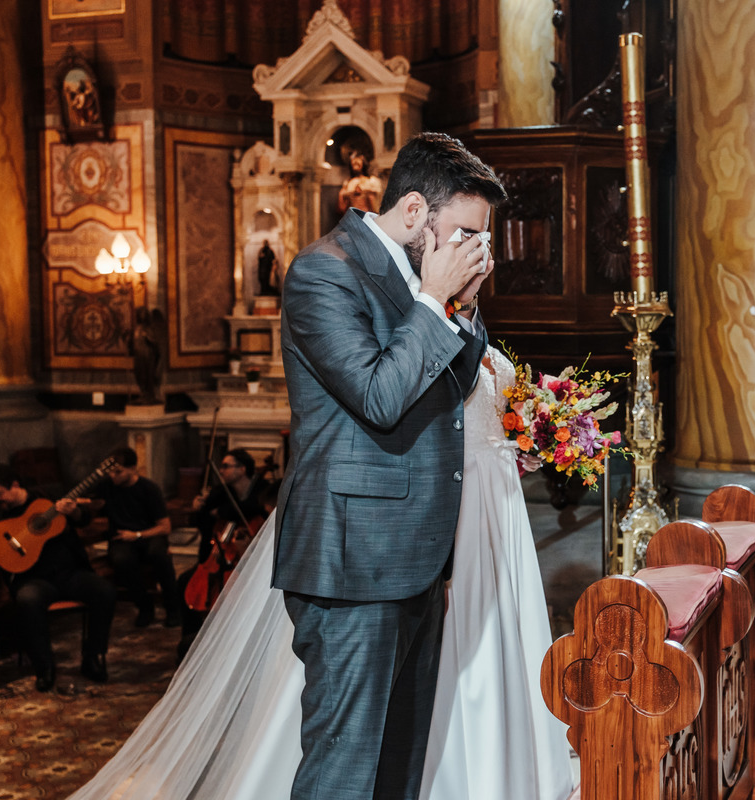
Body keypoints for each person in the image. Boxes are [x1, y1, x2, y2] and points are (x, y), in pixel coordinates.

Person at [64, 346, 574, 800]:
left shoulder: (479, 330)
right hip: (446, 504)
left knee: (488, 639)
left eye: (484, 241)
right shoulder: (406, 324)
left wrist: (525, 440)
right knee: (408, 670)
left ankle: (502, 765)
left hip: (495, 508)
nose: (481, 255)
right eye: (468, 235)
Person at [274, 131, 506, 800]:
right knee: (344, 773)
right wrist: (435, 301)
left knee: (400, 768)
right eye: (464, 234)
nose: (475, 251)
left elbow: (457, 384)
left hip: (419, 563)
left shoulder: (424, 280)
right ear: (413, 213)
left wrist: (459, 303)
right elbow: (379, 398)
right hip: (353, 564)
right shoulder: (324, 272)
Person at [0, 464, 115, 692]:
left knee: (105, 591)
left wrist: (75, 512)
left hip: (68, 573)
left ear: (15, 486)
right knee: (28, 601)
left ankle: (93, 657)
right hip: (32, 579)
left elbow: (83, 520)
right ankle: (44, 668)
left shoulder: (47, 498)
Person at [176, 448, 268, 660]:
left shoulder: (261, 489)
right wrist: (199, 508)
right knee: (184, 581)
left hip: (248, 557)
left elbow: (252, 508)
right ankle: (193, 637)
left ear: (242, 469)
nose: (222, 470)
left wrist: (221, 511)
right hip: (219, 555)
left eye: (226, 466)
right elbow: (205, 525)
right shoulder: (220, 492)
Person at [91, 447, 180, 630]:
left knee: (159, 555)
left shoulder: (149, 489)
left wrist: (138, 535)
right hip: (121, 537)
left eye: (118, 472)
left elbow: (165, 527)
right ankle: (144, 607)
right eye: (110, 471)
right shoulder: (106, 486)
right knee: (121, 560)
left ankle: (173, 609)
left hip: (149, 534)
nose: (113, 476)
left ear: (133, 469)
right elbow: (89, 500)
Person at [337, 138, 384, 214]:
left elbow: (375, 208)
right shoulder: (348, 183)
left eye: (358, 159)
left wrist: (367, 194)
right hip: (352, 220)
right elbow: (342, 208)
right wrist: (341, 195)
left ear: (363, 162)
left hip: (367, 219)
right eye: (353, 160)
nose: (355, 162)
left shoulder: (371, 181)